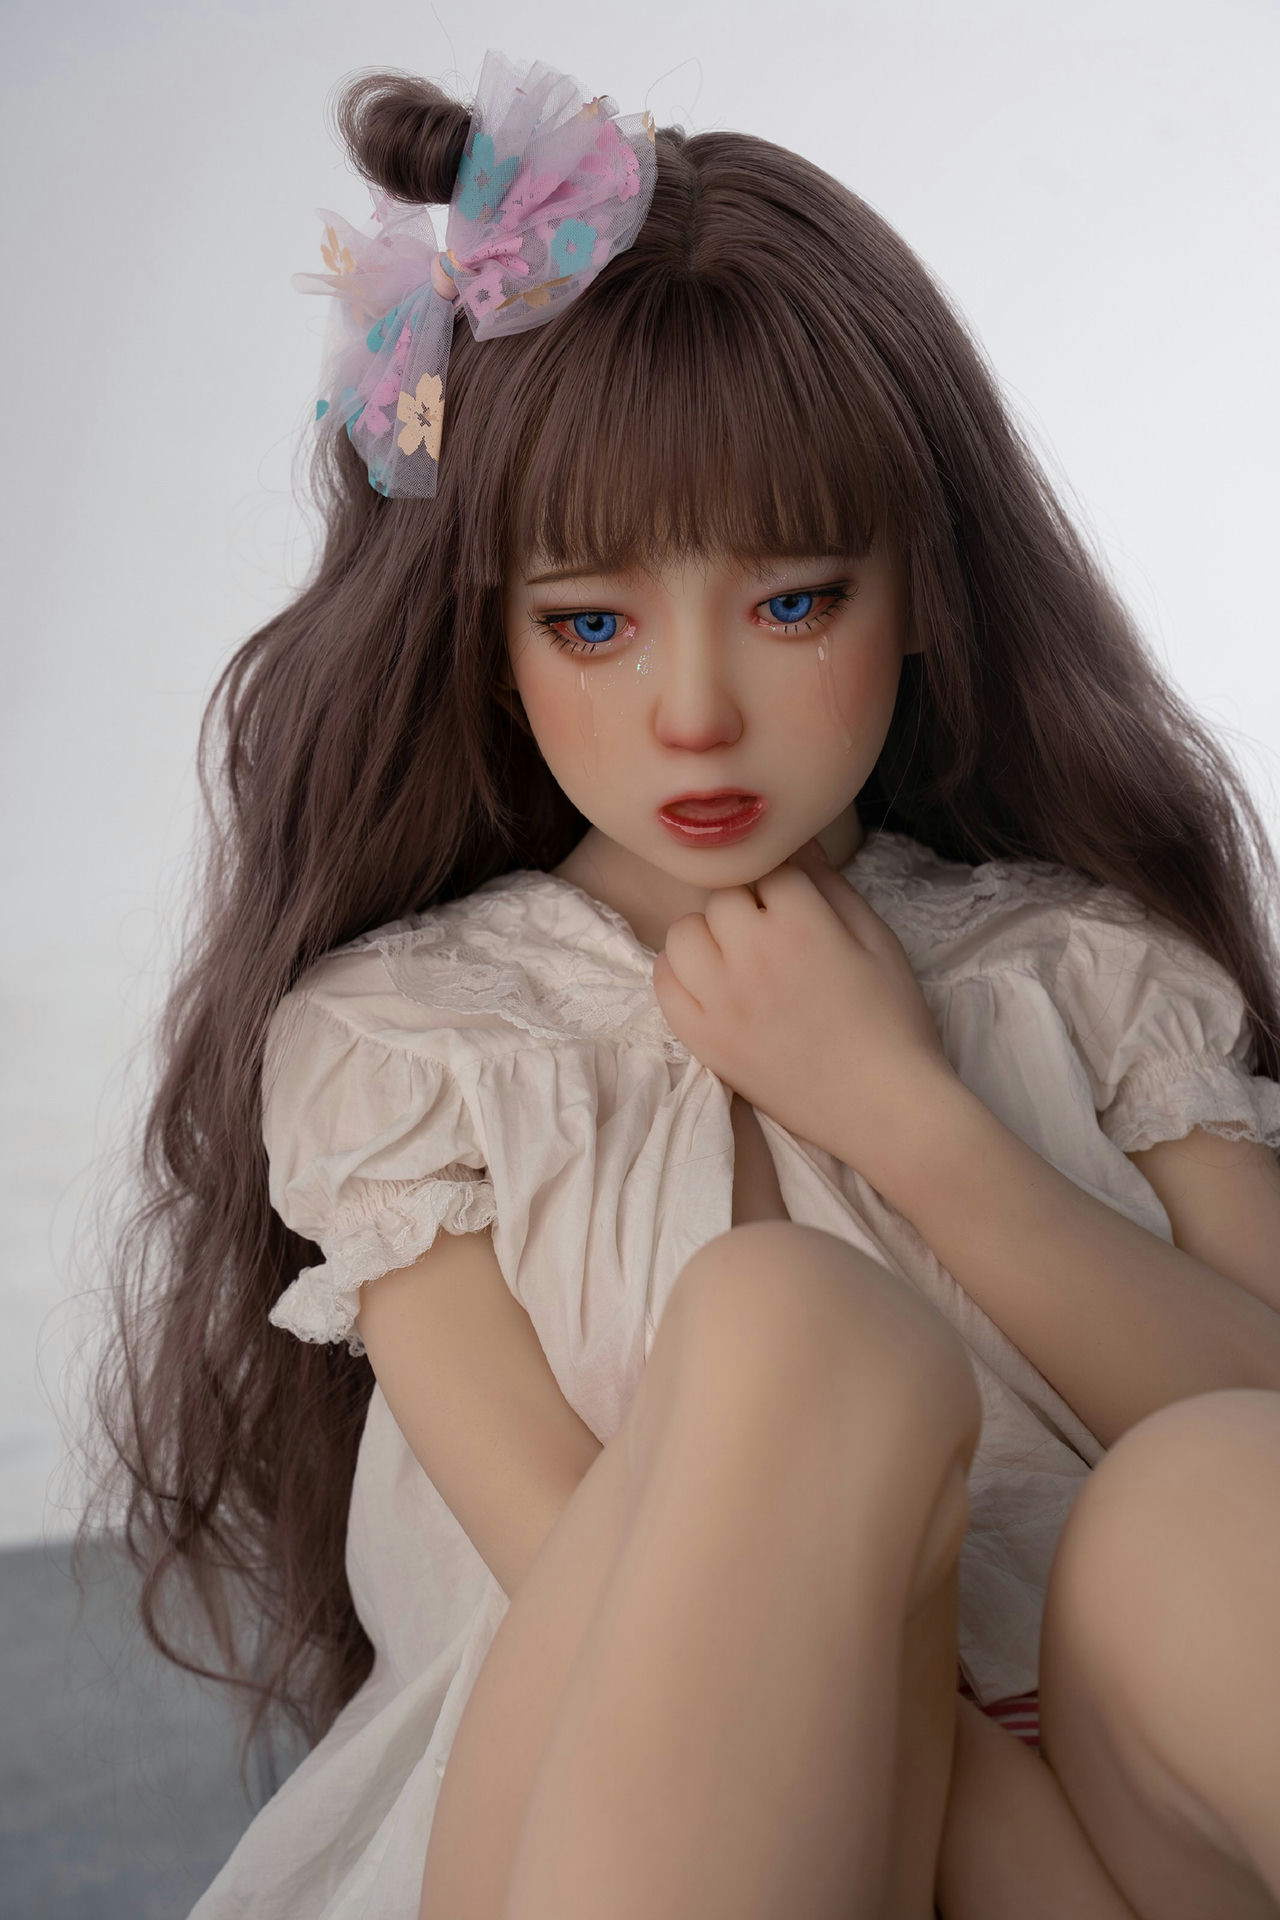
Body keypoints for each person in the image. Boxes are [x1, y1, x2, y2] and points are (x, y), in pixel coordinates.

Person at [78, 46, 1280, 1920]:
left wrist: (907, 1115)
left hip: (1132, 1786)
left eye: (794, 603)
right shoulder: (416, 1052)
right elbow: (601, 1588)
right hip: (638, 1805)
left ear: (923, 587)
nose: (696, 712)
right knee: (790, 1339)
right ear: (486, 636)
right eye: (593, 624)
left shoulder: (1087, 971)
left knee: (1206, 1495)